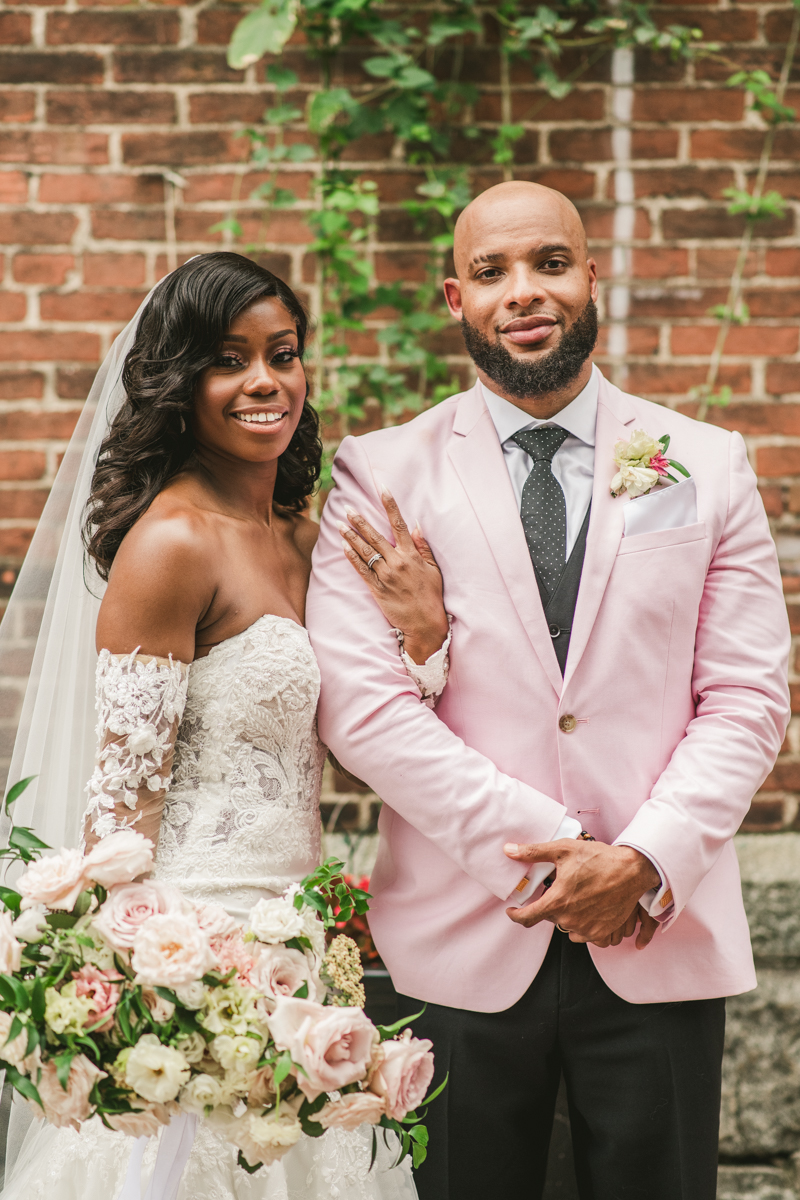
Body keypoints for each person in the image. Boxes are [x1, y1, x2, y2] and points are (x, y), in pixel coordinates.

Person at [306, 181, 791, 1200]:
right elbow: (361, 708)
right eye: (490, 273)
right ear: (453, 297)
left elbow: (746, 696)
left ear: (590, 275)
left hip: (653, 927)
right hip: (458, 936)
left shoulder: (704, 465)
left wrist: (637, 861)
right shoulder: (375, 472)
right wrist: (548, 854)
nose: (522, 293)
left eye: (549, 264)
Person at [0, 252, 451, 1200]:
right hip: (195, 963)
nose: (263, 382)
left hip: (301, 955)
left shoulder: (306, 532)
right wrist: (148, 1001)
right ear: (178, 384)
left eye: (281, 355)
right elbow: (118, 816)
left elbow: (361, 736)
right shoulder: (171, 545)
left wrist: (423, 633)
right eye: (227, 359)